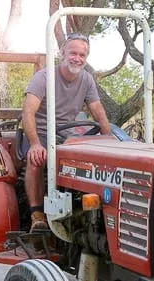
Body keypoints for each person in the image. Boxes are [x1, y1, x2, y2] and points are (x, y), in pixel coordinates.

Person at [21, 33, 111, 231]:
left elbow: (97, 110)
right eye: (73, 53)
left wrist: (109, 137)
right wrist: (35, 143)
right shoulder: (44, 77)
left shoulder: (86, 79)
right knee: (36, 158)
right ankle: (37, 215)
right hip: (40, 132)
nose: (77, 58)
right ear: (62, 52)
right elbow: (28, 112)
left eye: (82, 55)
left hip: (67, 134)